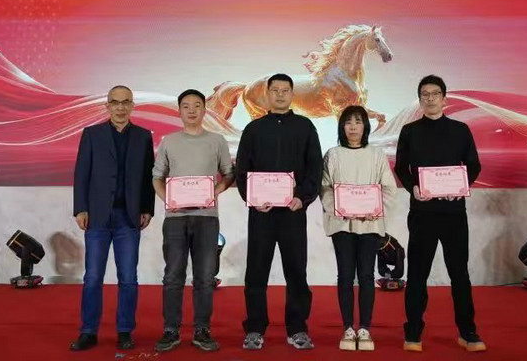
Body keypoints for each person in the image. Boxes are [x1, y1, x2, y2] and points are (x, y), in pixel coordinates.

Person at [394, 75, 486, 353]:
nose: (430, 98)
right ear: (419, 99)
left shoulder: (460, 130)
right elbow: (401, 167)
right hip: (422, 213)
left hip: (453, 213)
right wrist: (413, 188)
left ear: (444, 99)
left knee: (460, 274)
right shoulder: (409, 131)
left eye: (435, 94)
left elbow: (473, 165)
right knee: (417, 274)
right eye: (425, 94)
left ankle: (468, 332)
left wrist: (460, 187)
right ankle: (413, 331)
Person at [235, 73, 323, 350]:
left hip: (293, 212)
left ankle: (297, 329)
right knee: (256, 271)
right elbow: (242, 170)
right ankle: (254, 329)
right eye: (275, 90)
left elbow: (315, 168)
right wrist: (252, 198)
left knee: (296, 271)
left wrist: (302, 198)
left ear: (292, 94)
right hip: (261, 213)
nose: (280, 95)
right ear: (268, 94)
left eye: (285, 90)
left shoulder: (305, 127)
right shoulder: (253, 129)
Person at [70, 85, 155, 352]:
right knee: (93, 277)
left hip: (128, 218)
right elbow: (81, 173)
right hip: (97, 216)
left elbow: (148, 176)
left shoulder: (143, 136)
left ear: (132, 106)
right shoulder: (91, 134)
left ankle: (124, 331)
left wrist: (147, 208)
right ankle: (88, 331)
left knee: (128, 277)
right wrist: (80, 208)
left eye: (125, 102)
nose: (120, 107)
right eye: (115, 102)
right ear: (107, 106)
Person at [151, 89, 235, 353]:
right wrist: (168, 199)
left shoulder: (217, 141)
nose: (191, 110)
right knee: (172, 276)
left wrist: (215, 191)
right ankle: (170, 329)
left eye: (197, 105)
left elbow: (229, 173)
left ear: (204, 110)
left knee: (205, 277)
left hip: (206, 219)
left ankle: (202, 329)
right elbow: (157, 176)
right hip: (175, 219)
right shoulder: (169, 141)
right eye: (185, 106)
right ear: (179, 110)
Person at [320, 105, 397, 351]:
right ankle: (347, 328)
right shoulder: (333, 154)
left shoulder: (376, 154)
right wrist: (340, 208)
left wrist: (374, 209)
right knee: (345, 275)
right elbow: (325, 188)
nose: (353, 127)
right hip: (342, 223)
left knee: (366, 275)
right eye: (348, 122)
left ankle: (364, 328)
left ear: (366, 126)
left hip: (370, 223)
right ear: (341, 126)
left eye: (358, 122)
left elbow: (389, 188)